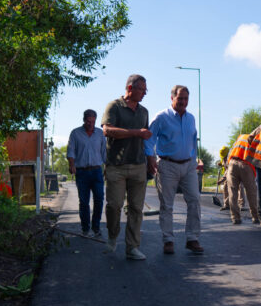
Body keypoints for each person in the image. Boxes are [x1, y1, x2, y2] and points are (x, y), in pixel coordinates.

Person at [146, 85, 204, 255]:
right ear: (172, 98)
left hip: (188, 166)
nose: (183, 102)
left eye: (186, 99)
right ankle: (168, 240)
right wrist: (150, 158)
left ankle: (192, 238)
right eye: (180, 99)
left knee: (194, 200)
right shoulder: (161, 117)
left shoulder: (191, 118)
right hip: (167, 165)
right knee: (167, 205)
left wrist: (193, 161)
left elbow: (193, 141)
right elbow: (149, 139)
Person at [101, 75, 152, 260]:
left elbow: (145, 138)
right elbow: (107, 130)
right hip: (116, 166)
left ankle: (132, 247)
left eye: (146, 90)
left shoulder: (144, 112)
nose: (145, 93)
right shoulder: (114, 106)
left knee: (136, 209)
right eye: (142, 89)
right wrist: (135, 132)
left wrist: (151, 159)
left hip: (138, 165)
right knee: (114, 205)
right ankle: (112, 236)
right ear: (130, 88)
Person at [67, 109, 107, 237]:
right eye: (88, 121)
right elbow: (71, 151)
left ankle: (96, 227)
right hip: (82, 172)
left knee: (99, 199)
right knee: (84, 202)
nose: (90, 124)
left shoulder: (100, 134)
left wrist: (108, 167)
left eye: (93, 121)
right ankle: (85, 228)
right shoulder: (75, 133)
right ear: (84, 120)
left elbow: (104, 153)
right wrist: (71, 165)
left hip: (96, 171)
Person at [226, 133, 259, 225]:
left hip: (232, 163)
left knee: (232, 192)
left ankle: (235, 218)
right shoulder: (257, 140)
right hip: (246, 165)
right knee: (251, 192)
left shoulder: (240, 137)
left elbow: (230, 152)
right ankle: (255, 217)